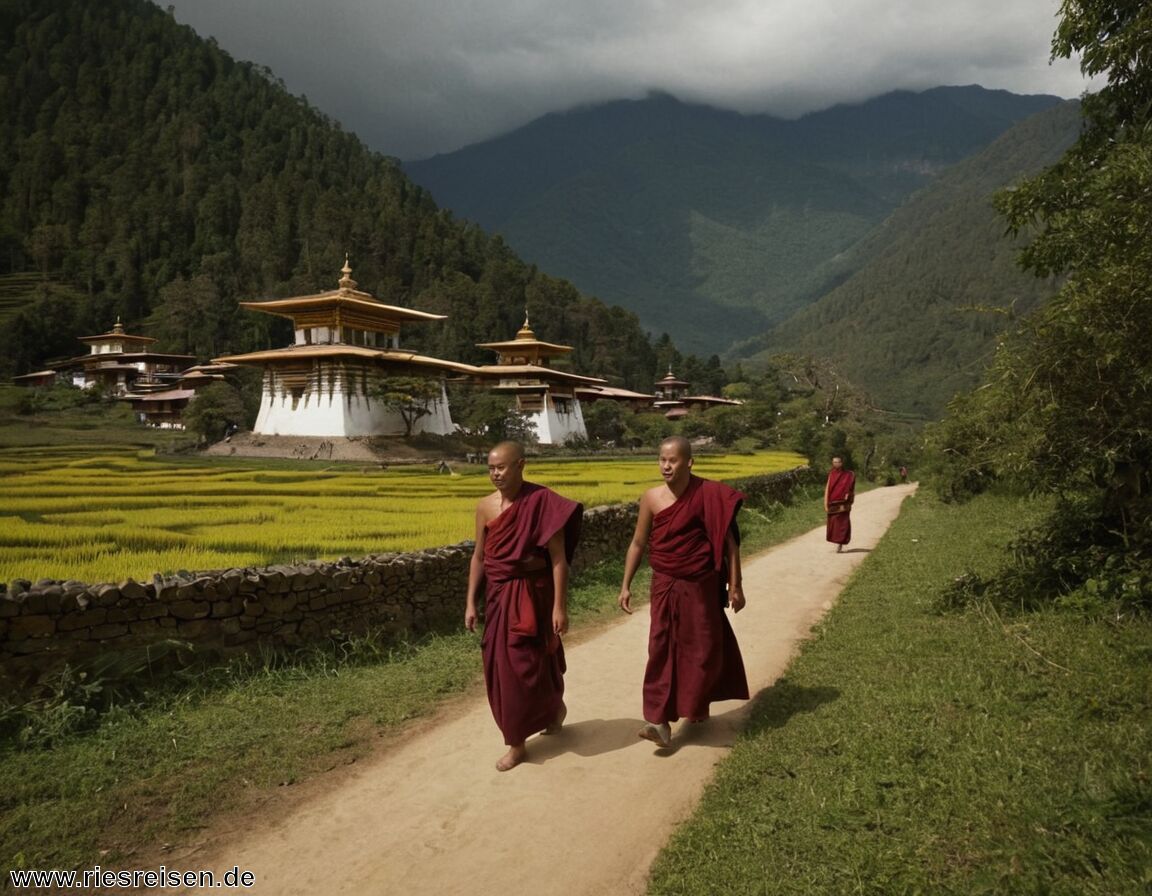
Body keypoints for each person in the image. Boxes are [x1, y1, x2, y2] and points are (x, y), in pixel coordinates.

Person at [617, 436, 749, 749]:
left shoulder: (709, 494)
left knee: (701, 649)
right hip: (664, 583)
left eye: (672, 460)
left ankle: (695, 705)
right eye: (662, 459)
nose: (666, 465)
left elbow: (731, 544)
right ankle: (659, 721)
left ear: (689, 462)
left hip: (699, 584)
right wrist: (625, 584)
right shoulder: (651, 498)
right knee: (660, 647)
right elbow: (638, 543)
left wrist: (736, 585)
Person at [465, 440, 583, 772]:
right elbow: (480, 557)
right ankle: (516, 741)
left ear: (521, 465)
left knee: (535, 661)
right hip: (501, 596)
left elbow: (559, 560)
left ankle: (553, 707)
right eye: (490, 467)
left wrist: (560, 607)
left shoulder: (542, 501)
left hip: (535, 593)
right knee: (504, 667)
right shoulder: (485, 507)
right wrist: (470, 602)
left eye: (501, 467)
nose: (495, 474)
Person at [824, 455, 856, 552]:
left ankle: (840, 543)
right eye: (834, 462)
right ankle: (836, 541)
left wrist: (849, 494)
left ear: (842, 463)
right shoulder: (831, 474)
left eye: (838, 462)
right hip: (833, 503)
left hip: (844, 503)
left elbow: (852, 488)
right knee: (834, 523)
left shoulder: (849, 474)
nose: (836, 464)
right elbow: (828, 488)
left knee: (843, 523)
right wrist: (825, 502)